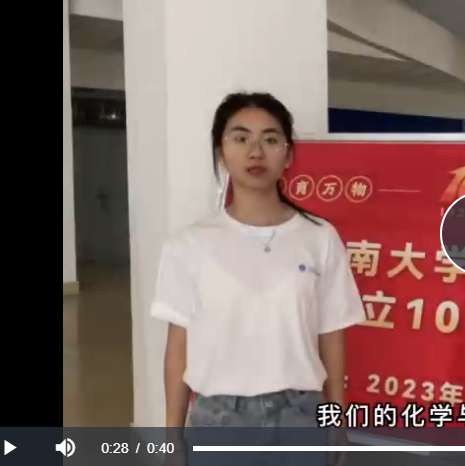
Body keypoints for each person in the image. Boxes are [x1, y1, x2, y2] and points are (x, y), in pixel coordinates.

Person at [152, 93, 365, 466]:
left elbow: (331, 336)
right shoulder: (188, 245)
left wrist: (337, 421)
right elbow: (178, 349)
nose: (255, 152)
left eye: (270, 139)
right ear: (221, 152)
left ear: (288, 155)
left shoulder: (319, 238)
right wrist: (173, 438)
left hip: (301, 418)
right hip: (219, 423)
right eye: (240, 138)